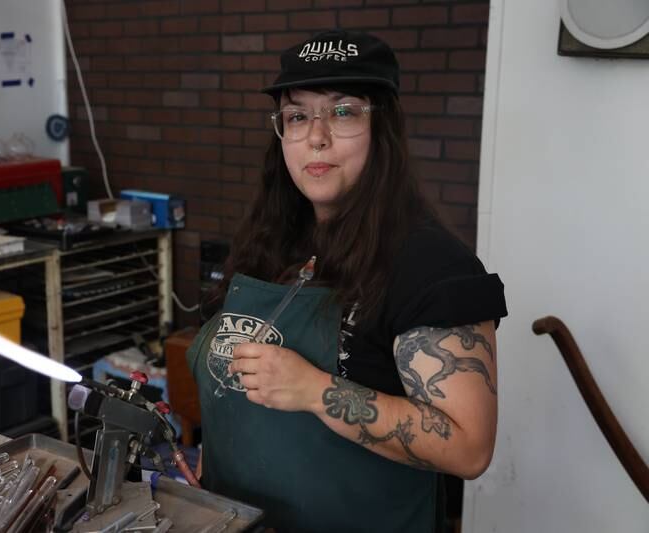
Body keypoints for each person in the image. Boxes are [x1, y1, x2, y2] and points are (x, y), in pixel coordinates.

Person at [185, 29, 507, 533]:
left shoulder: (433, 267)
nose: (317, 136)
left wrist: (314, 389)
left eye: (342, 111)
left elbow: (469, 447)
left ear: (384, 129)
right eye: (297, 116)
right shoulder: (271, 242)